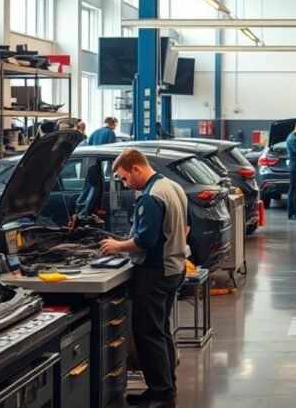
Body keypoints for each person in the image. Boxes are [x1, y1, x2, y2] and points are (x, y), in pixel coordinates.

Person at [99, 148, 190, 408]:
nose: (125, 184)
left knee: (149, 334)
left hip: (155, 272)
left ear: (136, 168)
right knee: (160, 332)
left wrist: (117, 246)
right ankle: (162, 388)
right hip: (174, 266)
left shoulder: (151, 196)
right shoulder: (172, 186)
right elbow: (185, 226)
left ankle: (162, 395)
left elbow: (145, 240)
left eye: (124, 178)